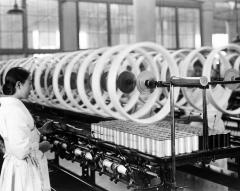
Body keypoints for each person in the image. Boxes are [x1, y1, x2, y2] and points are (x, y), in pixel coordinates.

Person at [0, 67, 54, 191]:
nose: (31, 88)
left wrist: (39, 131)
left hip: (21, 167)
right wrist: (42, 146)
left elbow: (19, 135)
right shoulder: (14, 110)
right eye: (29, 83)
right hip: (22, 169)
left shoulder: (12, 106)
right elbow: (20, 150)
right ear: (19, 85)